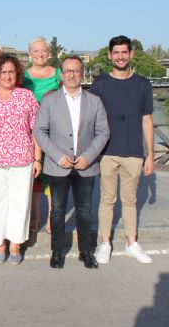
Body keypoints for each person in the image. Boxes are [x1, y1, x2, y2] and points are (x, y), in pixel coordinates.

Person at [33, 56, 110, 269]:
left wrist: (89, 156)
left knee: (84, 211)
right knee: (57, 211)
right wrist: (57, 156)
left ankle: (86, 251)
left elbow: (103, 132)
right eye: (68, 71)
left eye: (76, 71)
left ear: (82, 73)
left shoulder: (94, 101)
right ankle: (57, 251)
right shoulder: (50, 100)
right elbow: (39, 130)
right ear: (62, 74)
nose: (72, 75)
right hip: (59, 165)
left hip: (86, 165)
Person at [90, 35, 155, 265]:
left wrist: (150, 155)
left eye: (124, 52)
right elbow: (93, 120)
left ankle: (131, 243)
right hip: (107, 150)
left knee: (130, 200)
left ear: (131, 54)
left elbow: (147, 120)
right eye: (116, 52)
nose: (120, 56)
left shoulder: (142, 84)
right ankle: (105, 242)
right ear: (110, 55)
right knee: (107, 199)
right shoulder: (100, 85)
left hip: (134, 150)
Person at [0, 53, 41, 265]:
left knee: (20, 203)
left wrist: (38, 158)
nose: (8, 76)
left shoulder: (27, 97)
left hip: (22, 159)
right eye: (3, 72)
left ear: (17, 74)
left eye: (12, 72)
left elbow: (35, 130)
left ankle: (15, 244)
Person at [23, 37, 61, 234]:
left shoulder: (58, 74)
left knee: (54, 176)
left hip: (55, 132)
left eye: (43, 51)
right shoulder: (23, 76)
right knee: (35, 177)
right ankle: (35, 216)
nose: (40, 54)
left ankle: (52, 216)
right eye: (36, 51)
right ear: (30, 54)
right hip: (30, 132)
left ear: (49, 53)